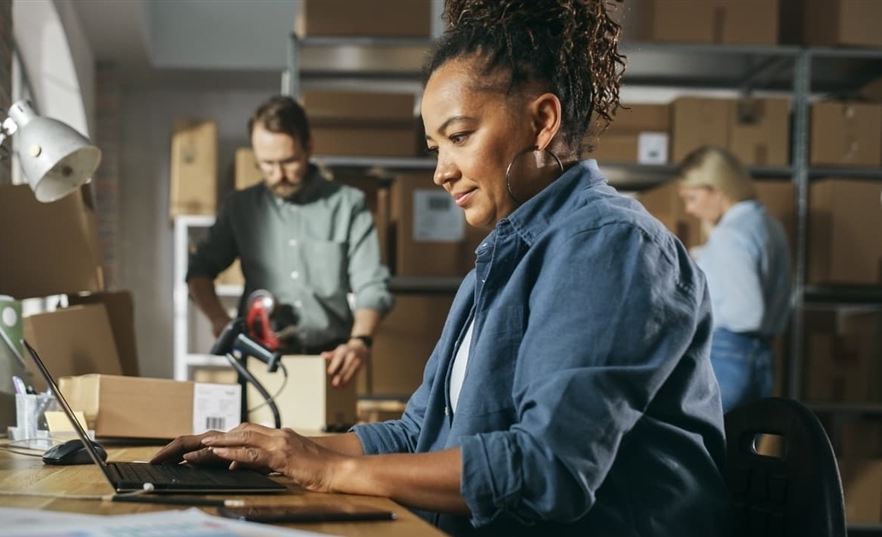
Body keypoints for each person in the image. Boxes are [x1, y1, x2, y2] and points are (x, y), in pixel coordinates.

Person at [155, 1, 731, 535]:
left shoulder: (609, 246)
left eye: (458, 137)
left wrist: (326, 470)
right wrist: (279, 449)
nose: (441, 172)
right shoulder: (506, 253)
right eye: (435, 147)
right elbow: (417, 433)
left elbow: (545, 468)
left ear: (543, 120)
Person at [186, 96, 393, 388]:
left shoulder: (348, 205)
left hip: (329, 364)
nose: (278, 175)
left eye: (288, 162)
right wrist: (220, 321)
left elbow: (371, 285)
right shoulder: (240, 207)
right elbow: (198, 271)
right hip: (258, 361)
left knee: (322, 436)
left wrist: (360, 342)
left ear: (308, 147)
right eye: (267, 164)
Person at [677, 146, 791, 413]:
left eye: (691, 198)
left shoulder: (730, 236)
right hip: (760, 357)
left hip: (728, 355)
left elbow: (748, 313)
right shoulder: (769, 226)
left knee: (707, 449)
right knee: (744, 450)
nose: (689, 210)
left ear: (716, 189)